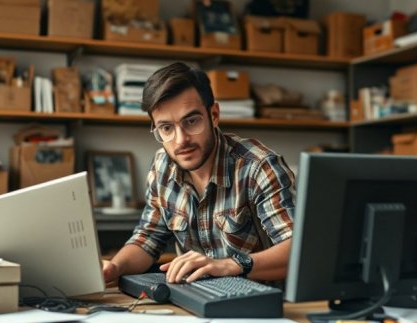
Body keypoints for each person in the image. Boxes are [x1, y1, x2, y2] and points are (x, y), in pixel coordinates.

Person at [103, 62, 295, 285]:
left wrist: (229, 266)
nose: (181, 139)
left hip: (263, 306)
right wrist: (114, 268)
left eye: (191, 121)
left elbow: (298, 249)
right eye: (166, 128)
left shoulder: (258, 167)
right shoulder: (162, 166)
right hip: (196, 300)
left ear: (214, 115)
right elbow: (148, 238)